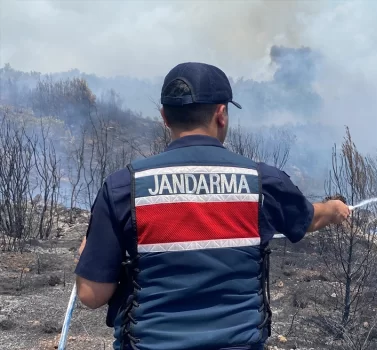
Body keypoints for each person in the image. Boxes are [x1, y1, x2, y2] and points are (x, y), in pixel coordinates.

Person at [74, 61, 351, 350]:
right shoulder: (262, 182)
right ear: (221, 114)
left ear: (164, 117)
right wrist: (334, 209)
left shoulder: (123, 187)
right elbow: (306, 219)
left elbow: (92, 294)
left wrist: (89, 255)